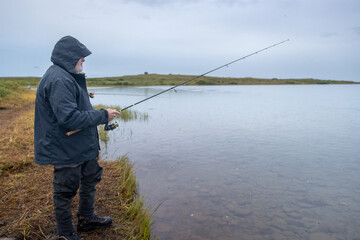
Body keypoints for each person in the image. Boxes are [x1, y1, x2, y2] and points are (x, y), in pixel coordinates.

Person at [34, 36, 120, 240]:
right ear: (68, 56)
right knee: (65, 190)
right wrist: (102, 115)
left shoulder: (66, 76)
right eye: (81, 56)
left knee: (91, 177)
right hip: (65, 147)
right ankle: (65, 233)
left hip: (80, 145)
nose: (83, 60)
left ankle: (87, 218)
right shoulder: (59, 79)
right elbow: (69, 119)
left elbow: (70, 107)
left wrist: (85, 96)